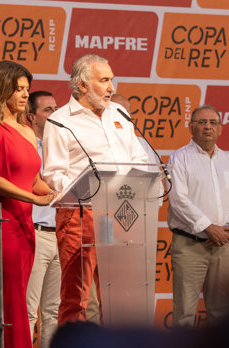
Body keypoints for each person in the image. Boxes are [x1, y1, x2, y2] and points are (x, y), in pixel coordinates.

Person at [42, 54, 148, 324]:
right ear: (82, 84)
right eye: (104, 80)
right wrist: (88, 192)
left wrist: (134, 182)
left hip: (123, 212)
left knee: (120, 296)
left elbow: (139, 158)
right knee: (75, 297)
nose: (112, 87)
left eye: (111, 80)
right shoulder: (60, 121)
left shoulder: (119, 114)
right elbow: (53, 174)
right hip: (81, 214)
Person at [0, 61, 56, 347]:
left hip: (23, 222)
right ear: (1, 88)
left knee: (18, 297)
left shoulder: (26, 130)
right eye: (18, 89)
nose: (25, 94)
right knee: (7, 301)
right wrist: (35, 199)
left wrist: (62, 193)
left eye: (27, 89)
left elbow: (34, 180)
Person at [167, 104, 229, 326]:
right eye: (202, 122)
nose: (208, 127)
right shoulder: (179, 158)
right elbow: (178, 200)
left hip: (224, 245)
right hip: (189, 246)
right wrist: (209, 228)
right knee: (184, 314)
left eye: (213, 123)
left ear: (220, 129)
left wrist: (227, 229)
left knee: (222, 313)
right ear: (191, 127)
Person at [26, 91, 61, 348]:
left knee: (53, 312)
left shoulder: (62, 148)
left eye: (56, 109)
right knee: (28, 311)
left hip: (61, 234)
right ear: (32, 117)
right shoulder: (26, 149)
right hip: (35, 234)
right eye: (48, 110)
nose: (55, 114)